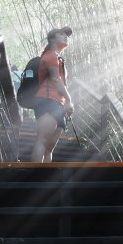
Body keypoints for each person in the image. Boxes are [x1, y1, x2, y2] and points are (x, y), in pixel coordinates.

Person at [31, 26, 74, 162]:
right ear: (52, 39)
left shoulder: (58, 58)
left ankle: (45, 175)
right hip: (46, 100)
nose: (66, 36)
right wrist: (69, 99)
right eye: (61, 34)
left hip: (58, 103)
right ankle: (35, 175)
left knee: (50, 147)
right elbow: (55, 79)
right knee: (43, 140)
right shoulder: (50, 55)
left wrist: (65, 103)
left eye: (66, 35)